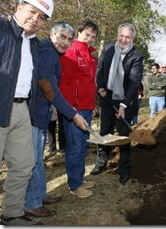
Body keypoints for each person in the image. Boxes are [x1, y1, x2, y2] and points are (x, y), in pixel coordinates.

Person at [25, 21, 88, 217]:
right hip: (32, 114)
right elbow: (48, 88)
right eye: (61, 37)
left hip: (41, 114)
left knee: (38, 158)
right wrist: (73, 114)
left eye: (69, 39)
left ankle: (40, 194)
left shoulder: (52, 52)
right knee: (32, 161)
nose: (65, 43)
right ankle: (31, 203)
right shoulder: (46, 52)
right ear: (51, 34)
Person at [0, 0, 53, 225]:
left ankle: (12, 214)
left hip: (21, 110)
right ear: (19, 6)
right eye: (32, 11)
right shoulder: (2, 28)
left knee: (24, 165)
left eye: (42, 17)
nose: (36, 19)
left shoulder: (32, 43)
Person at [90, 23, 144, 185]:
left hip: (126, 100)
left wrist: (124, 106)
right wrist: (100, 87)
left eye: (127, 37)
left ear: (132, 38)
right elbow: (99, 69)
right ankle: (101, 162)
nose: (124, 39)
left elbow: (134, 83)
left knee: (123, 136)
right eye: (121, 35)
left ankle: (124, 169)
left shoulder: (136, 56)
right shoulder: (108, 49)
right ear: (117, 34)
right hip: (107, 97)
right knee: (105, 131)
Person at [59, 20, 98, 198]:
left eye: (93, 37)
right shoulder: (71, 51)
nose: (89, 39)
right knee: (74, 147)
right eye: (87, 34)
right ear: (79, 32)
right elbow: (64, 82)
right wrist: (70, 109)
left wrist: (93, 104)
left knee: (83, 145)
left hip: (87, 107)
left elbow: (89, 83)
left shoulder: (91, 55)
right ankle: (74, 185)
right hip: (74, 108)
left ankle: (80, 179)